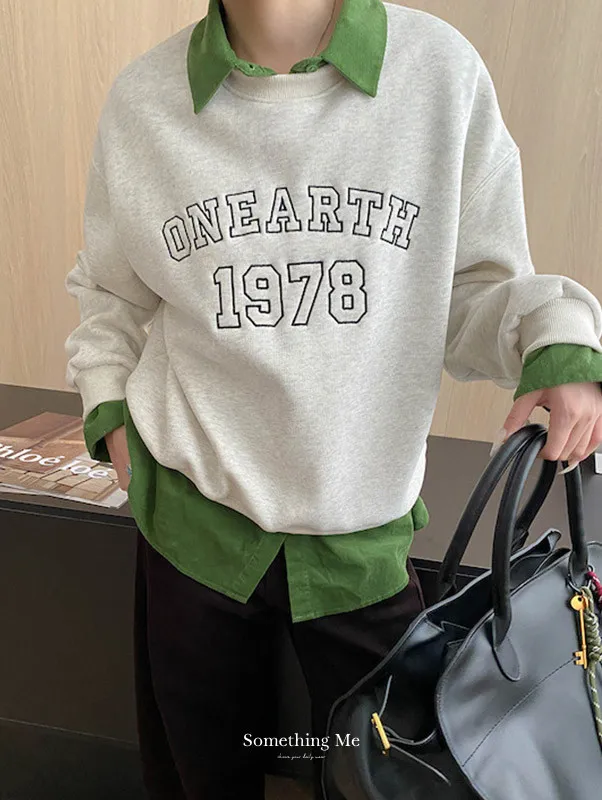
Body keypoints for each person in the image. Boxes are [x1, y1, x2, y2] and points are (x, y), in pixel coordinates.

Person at [63, 0, 602, 798]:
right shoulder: (144, 99)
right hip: (192, 529)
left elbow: (470, 293)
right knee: (199, 782)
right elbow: (111, 292)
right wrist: (108, 406)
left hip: (362, 539)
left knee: (390, 779)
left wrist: (553, 335)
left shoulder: (438, 74)